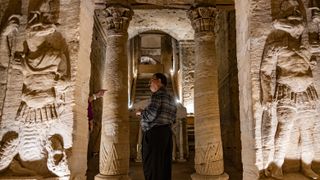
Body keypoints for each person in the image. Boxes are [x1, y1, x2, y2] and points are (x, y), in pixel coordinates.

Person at [260, 0, 319, 179]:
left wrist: (316, 20)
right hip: (287, 92)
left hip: (308, 92)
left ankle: (307, 166)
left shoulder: (309, 45)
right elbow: (265, 71)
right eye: (291, 18)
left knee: (307, 131)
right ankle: (277, 166)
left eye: (298, 17)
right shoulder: (276, 45)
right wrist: (267, 95)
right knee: (284, 129)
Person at [136, 73, 177, 180]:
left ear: (159, 81)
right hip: (166, 134)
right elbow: (173, 118)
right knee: (164, 167)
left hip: (155, 135)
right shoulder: (171, 98)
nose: (149, 83)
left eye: (151, 80)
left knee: (152, 167)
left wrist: (141, 113)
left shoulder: (157, 95)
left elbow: (150, 115)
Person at [86, 89, 106, 180]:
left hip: (89, 123)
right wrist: (95, 96)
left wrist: (96, 96)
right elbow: (86, 100)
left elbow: (88, 100)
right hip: (85, 123)